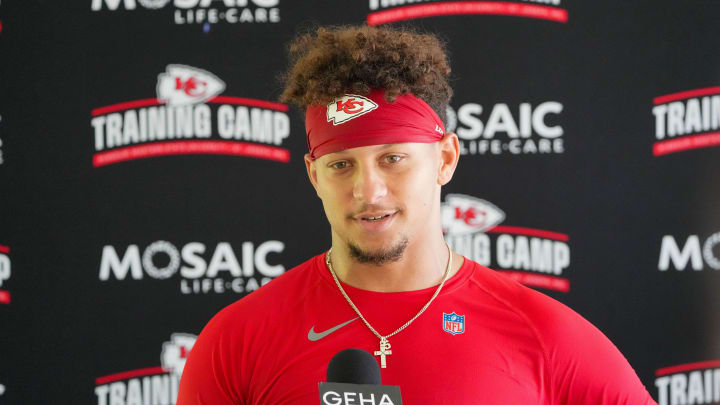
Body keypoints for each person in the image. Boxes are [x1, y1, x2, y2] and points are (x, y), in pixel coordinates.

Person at [177, 25, 656, 404]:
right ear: (314, 175)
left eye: (393, 158)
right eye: (342, 165)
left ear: (445, 159)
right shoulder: (237, 340)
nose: (369, 190)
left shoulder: (542, 333)